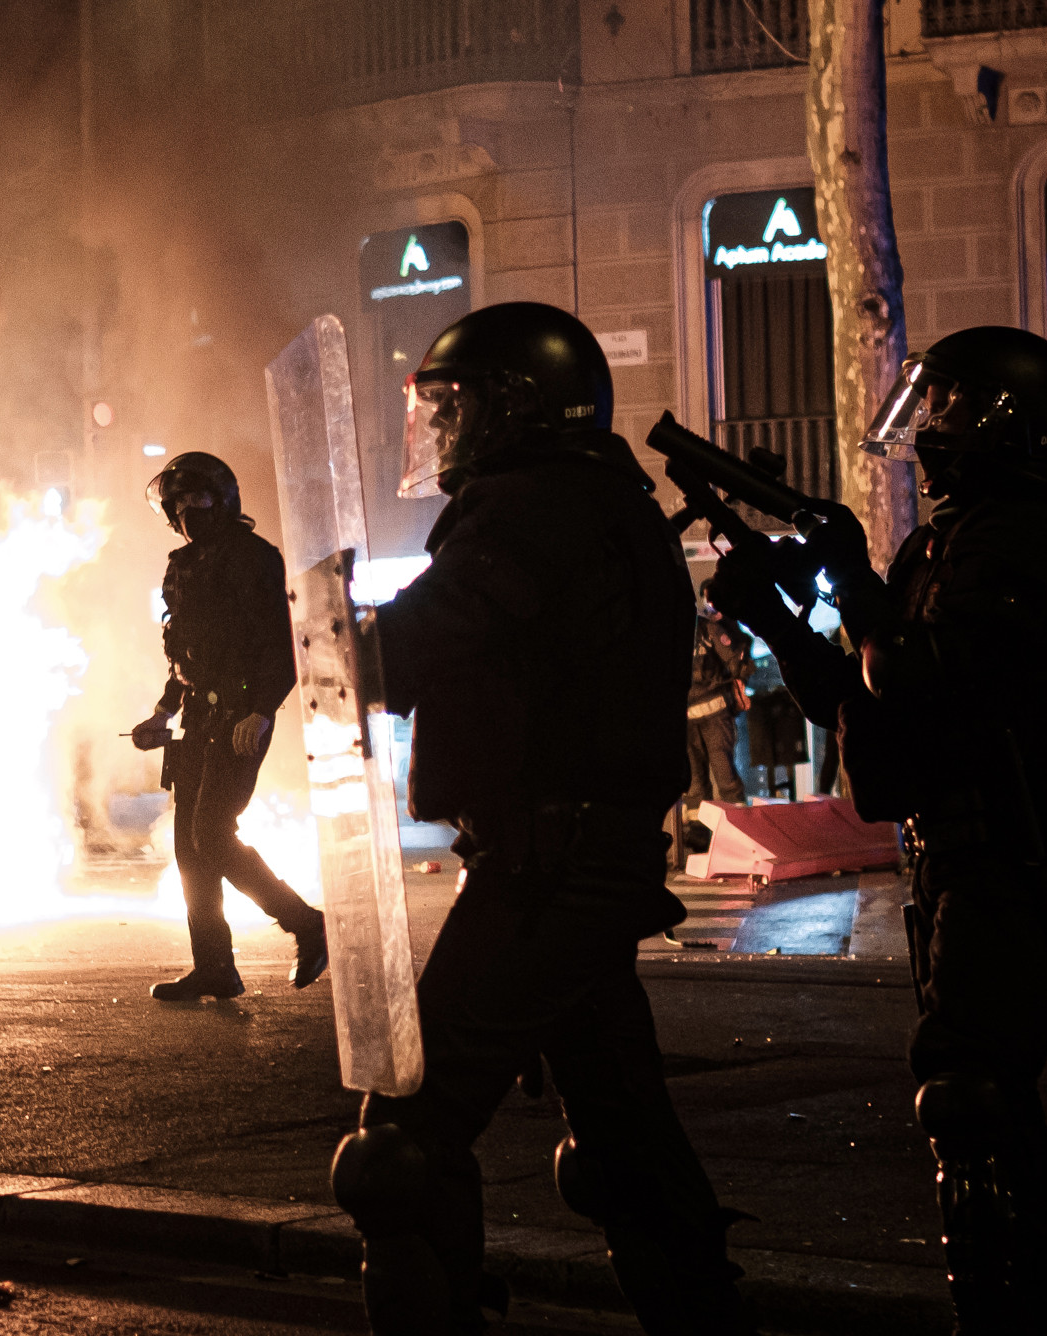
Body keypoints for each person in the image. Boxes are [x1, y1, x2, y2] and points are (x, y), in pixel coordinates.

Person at [329, 302, 754, 1336]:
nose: (440, 429)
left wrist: (322, 632)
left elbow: (416, 647)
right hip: (587, 866)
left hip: (547, 873)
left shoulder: (527, 507)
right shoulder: (606, 501)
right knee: (624, 1141)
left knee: (402, 1147)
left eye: (453, 405)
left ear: (515, 406)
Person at [708, 324, 1047, 1334]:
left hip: (1011, 844)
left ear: (1005, 423)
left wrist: (850, 582)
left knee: (967, 1086)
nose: (930, 427)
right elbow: (866, 705)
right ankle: (1041, 1298)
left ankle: (998, 1306)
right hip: (947, 849)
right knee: (991, 1097)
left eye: (950, 406)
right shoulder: (945, 542)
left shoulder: (1025, 536)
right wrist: (781, 623)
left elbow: (928, 677)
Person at [131, 451, 327, 1001]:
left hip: (240, 717)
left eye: (198, 498)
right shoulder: (182, 566)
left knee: (213, 834)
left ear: (223, 500)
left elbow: (281, 644)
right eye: (179, 502)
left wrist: (260, 710)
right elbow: (185, 656)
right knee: (190, 851)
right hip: (198, 720)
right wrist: (164, 711)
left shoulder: (252, 559)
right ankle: (215, 966)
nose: (188, 510)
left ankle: (306, 924)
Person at [684, 581, 748, 808]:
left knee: (717, 778)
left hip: (712, 715)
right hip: (692, 720)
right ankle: (698, 833)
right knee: (698, 782)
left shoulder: (707, 628)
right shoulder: (701, 628)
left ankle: (729, 828)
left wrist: (740, 681)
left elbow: (735, 660)